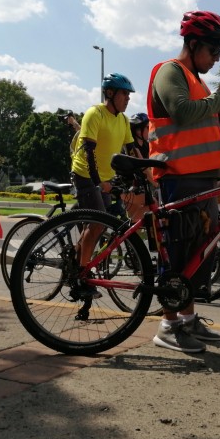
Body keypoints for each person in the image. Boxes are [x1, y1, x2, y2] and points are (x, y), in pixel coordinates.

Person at [147, 10, 220, 353]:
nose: (217, 57)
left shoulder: (199, 81)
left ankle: (188, 320)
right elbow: (181, 111)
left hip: (204, 179)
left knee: (198, 255)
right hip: (179, 177)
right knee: (177, 253)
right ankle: (167, 326)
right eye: (213, 51)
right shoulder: (169, 72)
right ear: (193, 45)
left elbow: (211, 124)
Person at [70, 73, 139, 297]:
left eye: (129, 95)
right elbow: (89, 152)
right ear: (110, 93)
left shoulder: (123, 120)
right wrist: (100, 183)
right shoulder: (95, 113)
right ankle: (82, 277)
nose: (127, 99)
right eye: (124, 94)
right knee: (98, 222)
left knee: (100, 223)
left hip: (106, 178)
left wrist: (145, 173)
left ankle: (76, 261)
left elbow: (132, 151)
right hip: (85, 174)